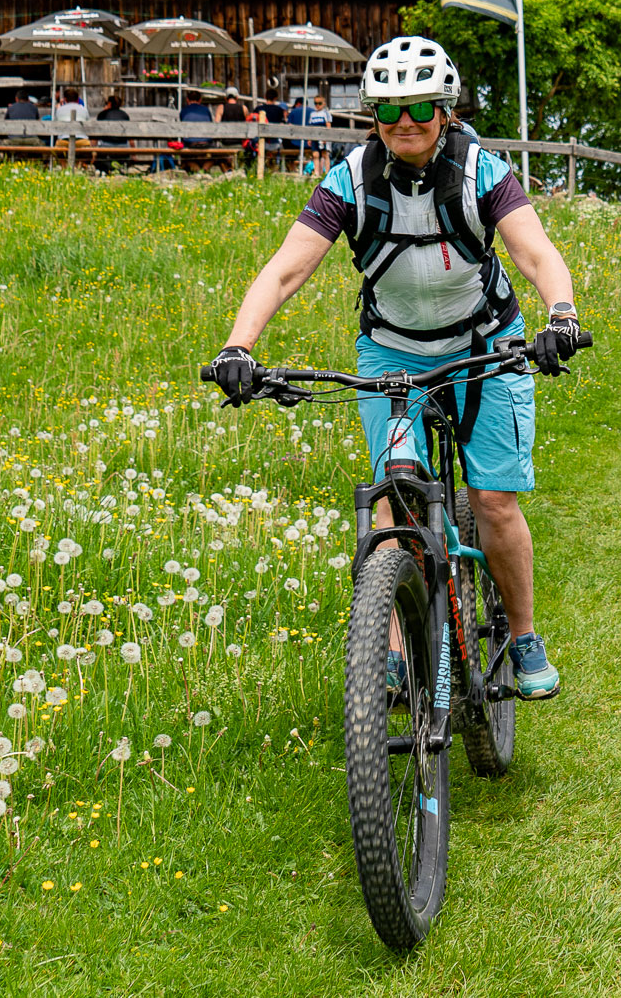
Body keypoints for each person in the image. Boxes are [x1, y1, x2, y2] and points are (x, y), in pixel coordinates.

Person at [209, 36, 583, 701]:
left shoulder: (480, 174)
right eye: (387, 109)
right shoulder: (350, 180)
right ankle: (383, 653)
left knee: (494, 502)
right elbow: (286, 267)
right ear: (372, 115)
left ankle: (522, 634)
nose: (403, 122)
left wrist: (561, 314)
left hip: (486, 347)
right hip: (392, 354)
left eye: (417, 107)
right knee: (394, 498)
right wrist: (239, 346)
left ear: (443, 109)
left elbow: (536, 252)